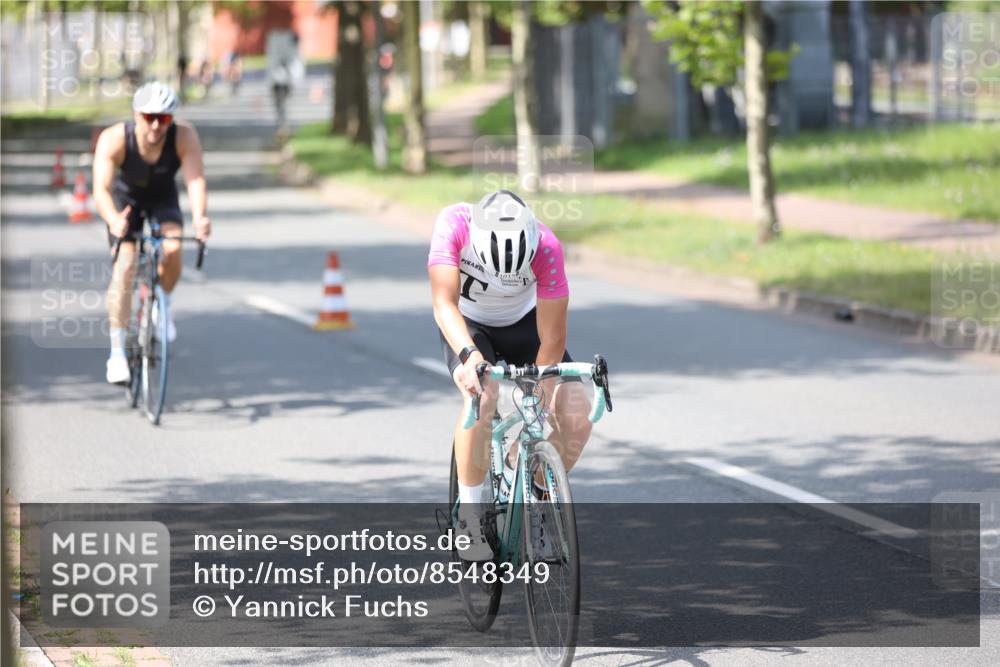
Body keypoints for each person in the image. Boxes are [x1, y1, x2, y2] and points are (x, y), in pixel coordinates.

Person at [428, 190, 594, 560]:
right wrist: (469, 357)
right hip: (469, 325)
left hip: (524, 324)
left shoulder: (547, 247)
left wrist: (540, 397)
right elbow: (443, 303)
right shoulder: (453, 225)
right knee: (482, 395)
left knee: (577, 418)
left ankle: (535, 492)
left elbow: (552, 338)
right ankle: (470, 516)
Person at [92, 81, 212, 385]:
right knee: (126, 266)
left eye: (164, 118)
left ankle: (163, 306)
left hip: (163, 197)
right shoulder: (115, 139)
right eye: (149, 117)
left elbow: (194, 179)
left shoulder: (184, 136)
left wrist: (200, 218)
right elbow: (100, 189)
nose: (156, 125)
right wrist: (113, 219)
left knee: (172, 249)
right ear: (136, 115)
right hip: (125, 202)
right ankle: (117, 353)